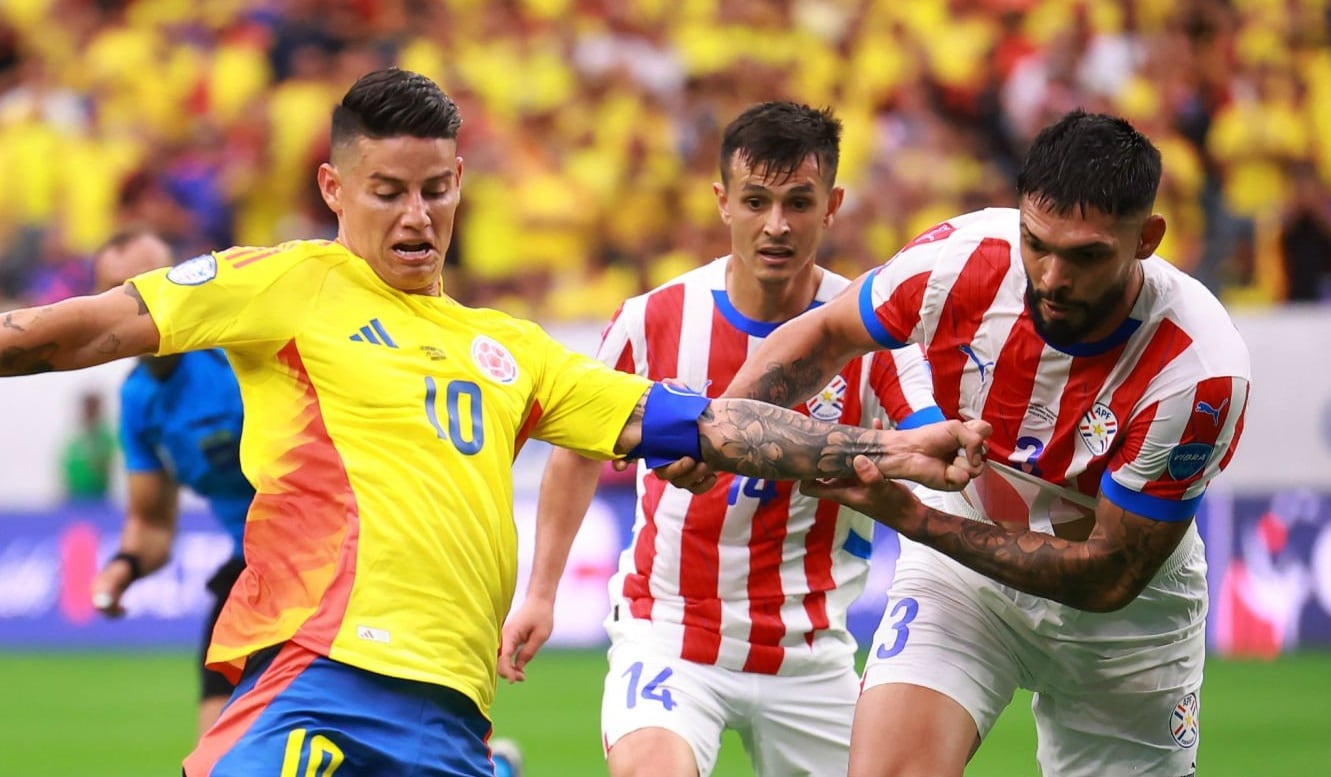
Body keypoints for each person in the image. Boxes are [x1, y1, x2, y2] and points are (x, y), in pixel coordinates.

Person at [0, 68, 987, 777]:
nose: (416, 217)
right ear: (334, 189)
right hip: (315, 674)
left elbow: (710, 427)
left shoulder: (512, 350)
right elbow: (75, 332)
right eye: (388, 192)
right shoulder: (287, 282)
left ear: (461, 183)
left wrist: (888, 447)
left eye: (436, 190)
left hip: (450, 717)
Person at [719, 109, 1250, 777]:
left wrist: (915, 519)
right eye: (1036, 243)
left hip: (1125, 628)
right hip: (962, 577)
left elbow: (1109, 575)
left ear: (1146, 239)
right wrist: (715, 426)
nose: (1051, 278)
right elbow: (826, 334)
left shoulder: (1197, 373)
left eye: (1085, 255)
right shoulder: (960, 260)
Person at [499, 101, 944, 777]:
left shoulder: (870, 334)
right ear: (722, 202)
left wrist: (914, 464)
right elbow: (578, 449)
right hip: (670, 635)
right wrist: (540, 593)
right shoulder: (653, 319)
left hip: (810, 650)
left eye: (799, 202)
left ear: (832, 207)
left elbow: (928, 445)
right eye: (756, 201)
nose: (776, 224)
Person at [86, 228, 255, 736]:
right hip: (252, 569)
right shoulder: (138, 399)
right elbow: (153, 523)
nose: (130, 304)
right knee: (213, 753)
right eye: (115, 291)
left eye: (143, 285)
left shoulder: (242, 349)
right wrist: (124, 566)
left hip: (331, 556)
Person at [58, 390, 116, 502]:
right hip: (73, 497)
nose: (88, 413)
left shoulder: (105, 437)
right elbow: (66, 467)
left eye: (92, 409)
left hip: (98, 497)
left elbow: (104, 466)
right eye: (87, 408)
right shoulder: (74, 439)